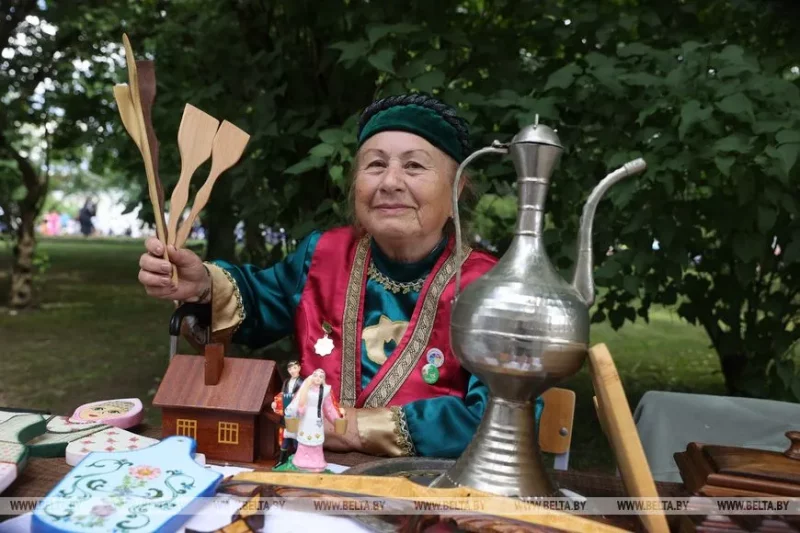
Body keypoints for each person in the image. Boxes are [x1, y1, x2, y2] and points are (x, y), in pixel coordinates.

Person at [138, 93, 544, 459]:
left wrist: (355, 428)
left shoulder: (490, 289)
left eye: (414, 166)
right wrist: (205, 285)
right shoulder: (325, 255)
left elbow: (507, 413)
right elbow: (261, 299)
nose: (390, 182)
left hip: (433, 496)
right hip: (307, 479)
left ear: (457, 189)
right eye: (376, 165)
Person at [283, 368, 343, 472]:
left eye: (321, 376)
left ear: (323, 379)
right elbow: (297, 402)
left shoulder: (325, 390)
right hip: (305, 418)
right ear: (312, 376)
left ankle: (317, 462)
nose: (318, 378)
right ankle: (301, 461)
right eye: (315, 375)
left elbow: (329, 408)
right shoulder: (305, 388)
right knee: (304, 439)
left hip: (317, 419)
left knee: (316, 441)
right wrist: (294, 410)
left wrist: (336, 420)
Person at [270, 360, 305, 466]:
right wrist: (275, 403)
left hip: (297, 415)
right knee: (285, 437)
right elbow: (282, 394)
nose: (292, 371)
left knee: (296, 439)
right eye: (290, 369)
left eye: (294, 368)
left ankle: (298, 460)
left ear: (299, 368)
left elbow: (304, 397)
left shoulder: (302, 382)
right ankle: (282, 460)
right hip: (286, 414)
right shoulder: (286, 382)